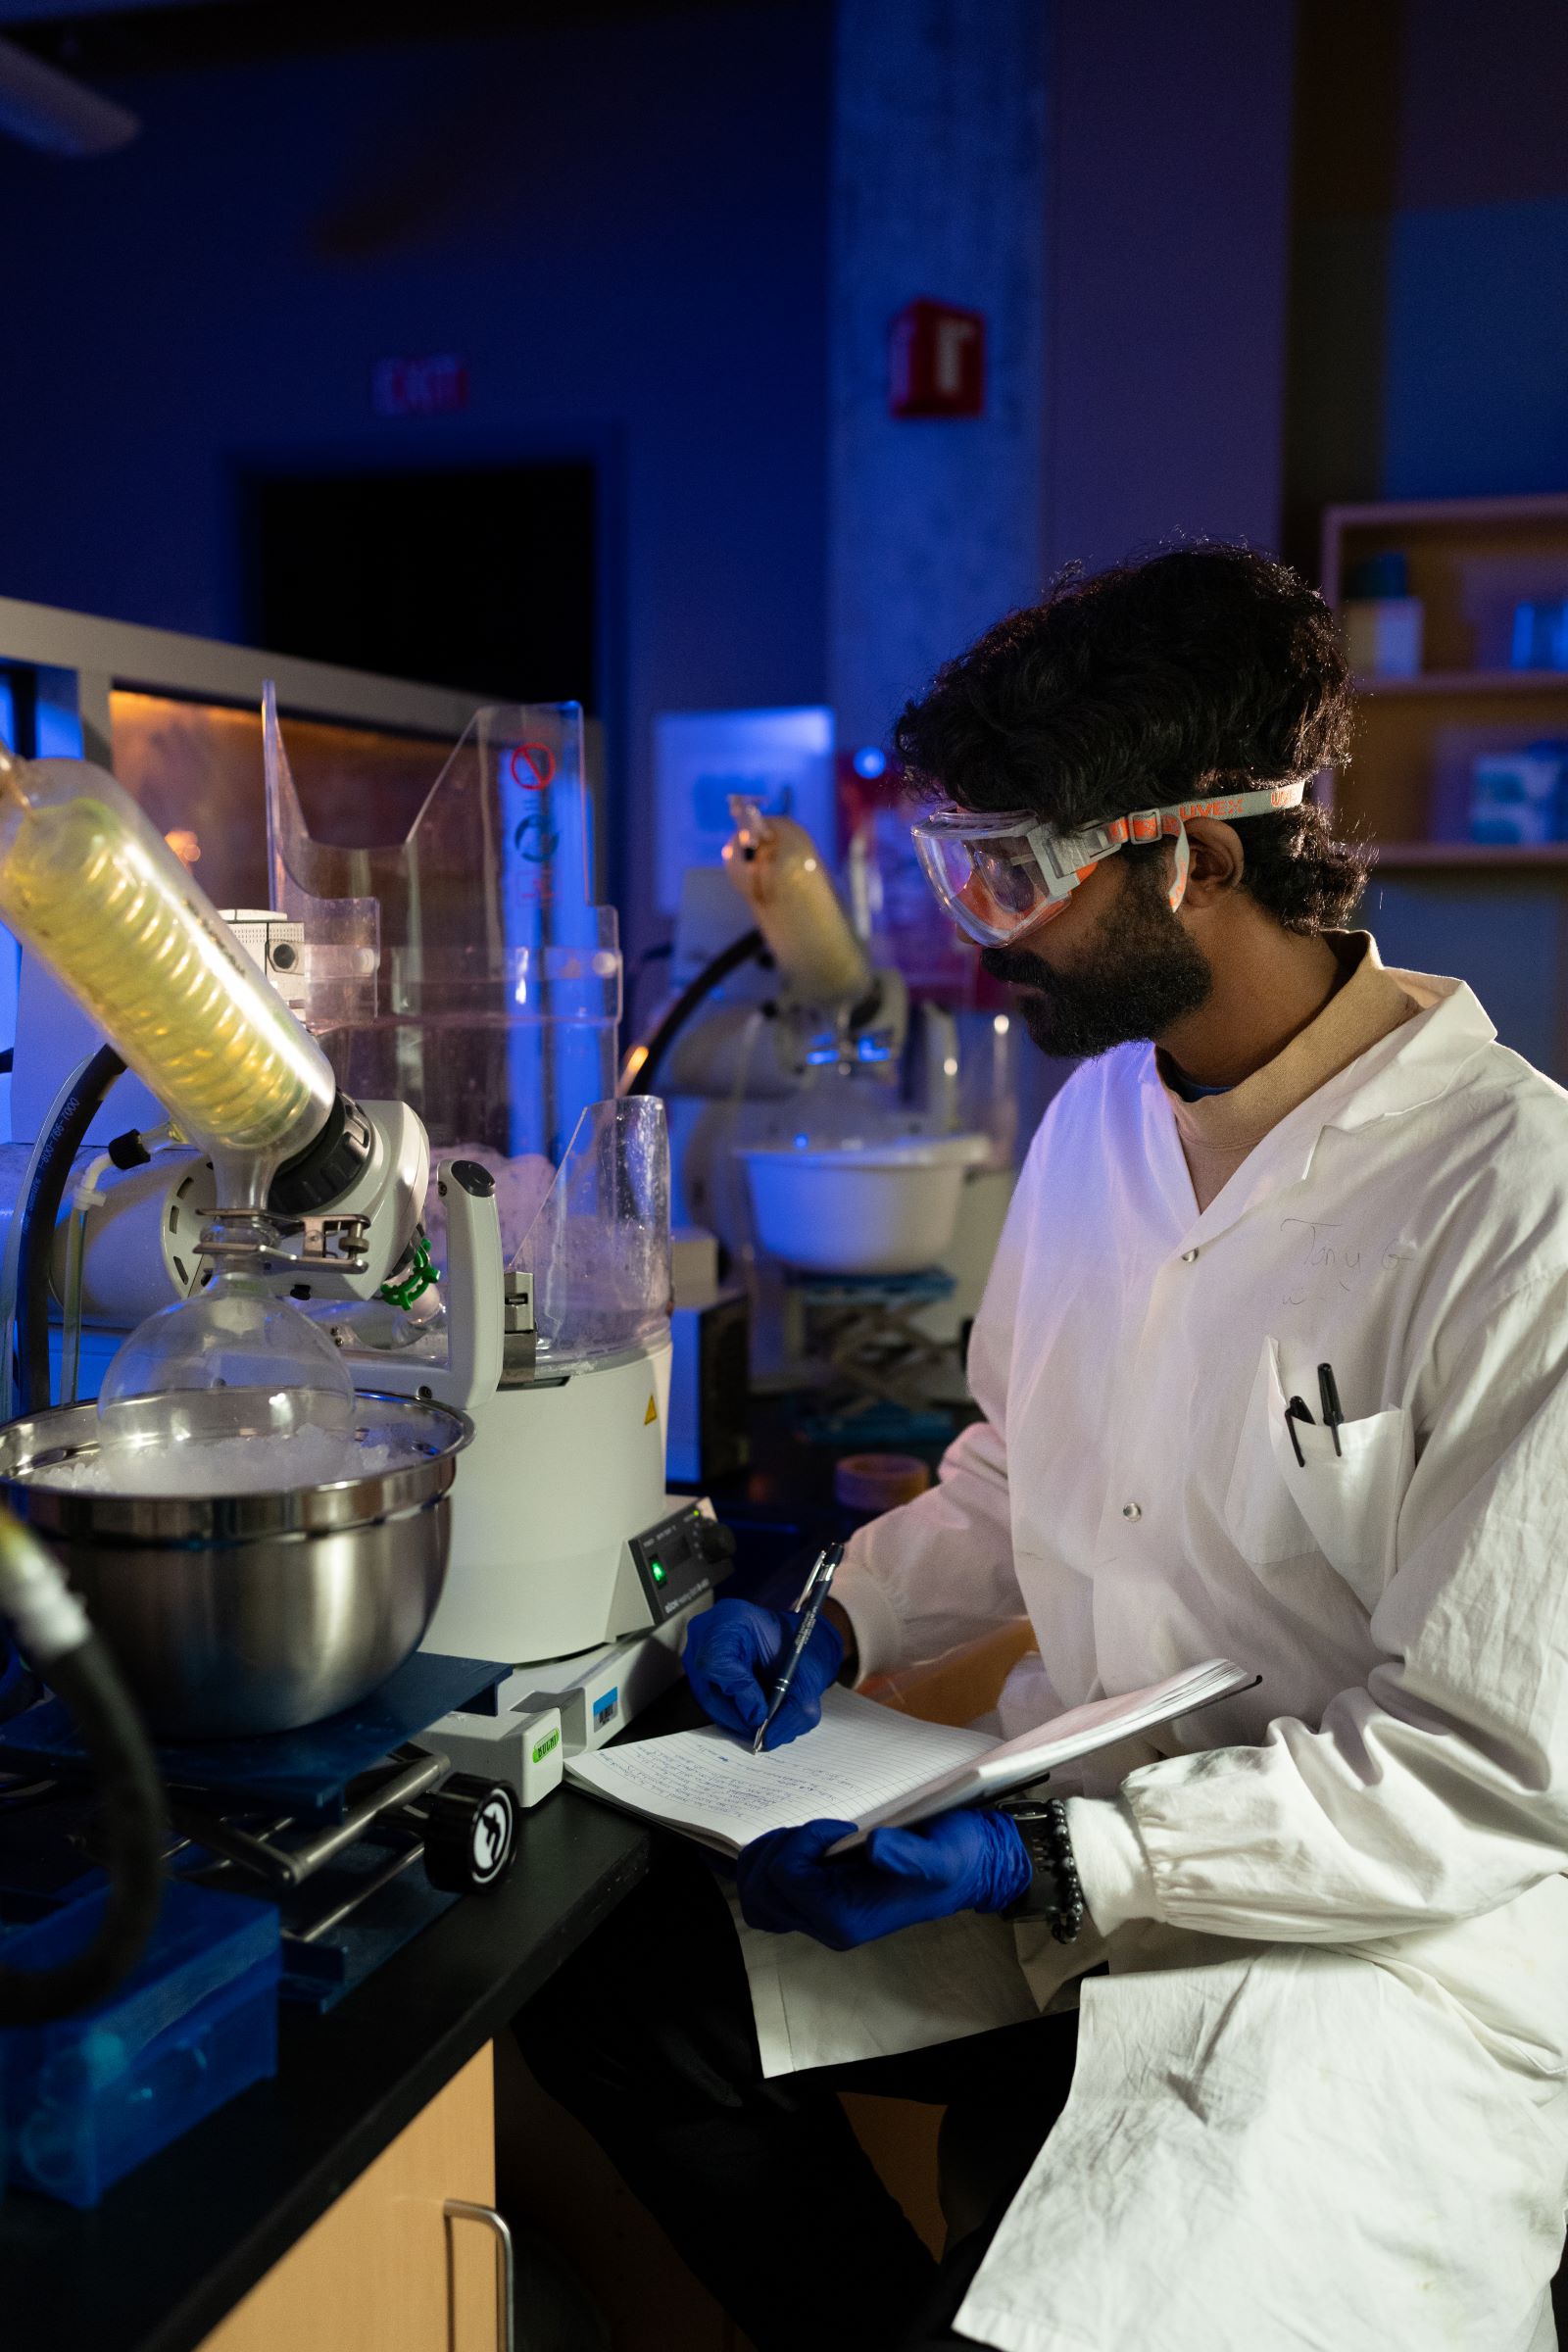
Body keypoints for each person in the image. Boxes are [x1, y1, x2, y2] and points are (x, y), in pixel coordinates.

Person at [517, 543, 1568, 2351]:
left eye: (1013, 874)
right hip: (1068, 1851)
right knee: (609, 1985)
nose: (967, 928)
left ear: (1199, 859)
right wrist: (840, 1614)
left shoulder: (1511, 1198)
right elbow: (1021, 1470)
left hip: (1362, 1954)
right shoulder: (1099, 1122)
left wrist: (1060, 1860)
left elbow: (1481, 1775)